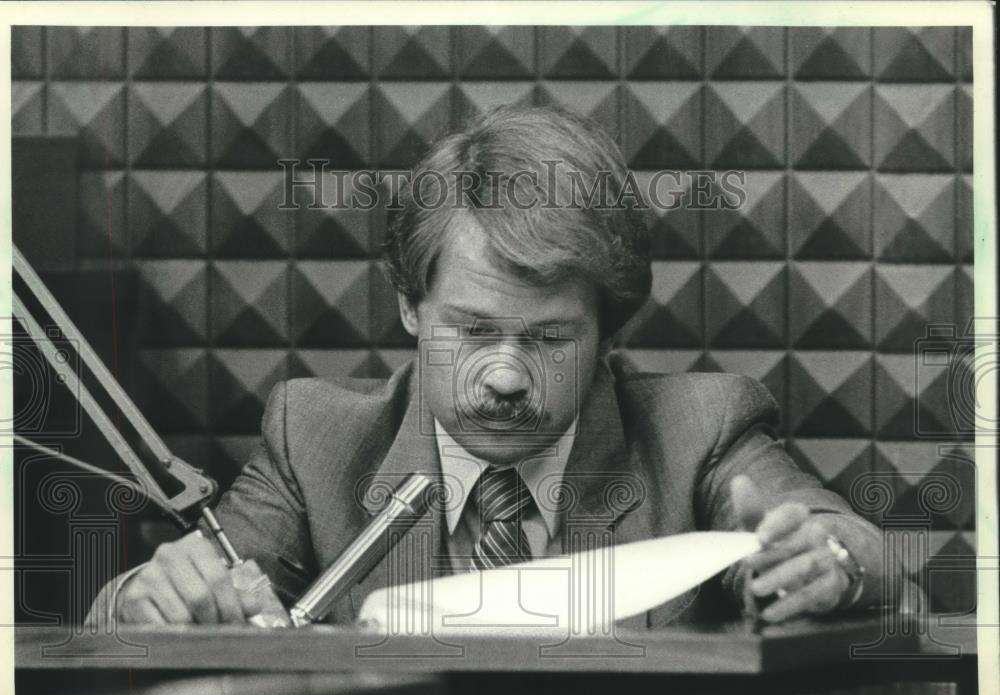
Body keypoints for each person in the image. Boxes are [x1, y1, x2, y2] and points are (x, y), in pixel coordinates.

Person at [92, 104, 890, 628]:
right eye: (472, 330)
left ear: (608, 331)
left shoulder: (702, 428)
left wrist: (833, 564)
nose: (505, 377)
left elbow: (864, 554)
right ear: (410, 304)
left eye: (548, 339)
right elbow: (184, 604)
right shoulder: (316, 435)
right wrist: (144, 600)